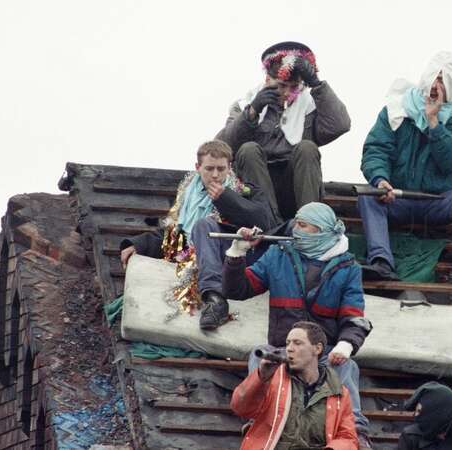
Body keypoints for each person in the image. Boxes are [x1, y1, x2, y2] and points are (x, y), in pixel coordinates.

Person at [222, 202, 373, 448]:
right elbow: (237, 289)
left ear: (322, 229)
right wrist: (237, 253)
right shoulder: (277, 255)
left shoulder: (348, 269)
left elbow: (354, 316)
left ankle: (357, 433)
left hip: (323, 354)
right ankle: (258, 420)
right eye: (296, 223)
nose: (295, 229)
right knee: (259, 355)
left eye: (303, 225)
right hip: (284, 350)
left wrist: (345, 345)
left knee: (348, 368)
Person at [119, 140, 276, 330]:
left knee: (204, 225)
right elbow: (176, 234)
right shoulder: (188, 193)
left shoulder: (246, 190)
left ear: (230, 167)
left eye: (221, 169)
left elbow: (264, 221)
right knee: (201, 226)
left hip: (236, 255)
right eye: (209, 168)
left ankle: (215, 299)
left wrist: (226, 198)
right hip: (195, 253)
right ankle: (214, 298)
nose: (216, 175)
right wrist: (139, 244)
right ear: (197, 167)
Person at [358, 51, 452, 286]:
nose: (436, 87)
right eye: (434, 80)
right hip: (397, 197)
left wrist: (434, 124)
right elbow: (376, 150)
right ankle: (381, 261)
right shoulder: (397, 110)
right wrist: (380, 180)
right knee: (368, 196)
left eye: (442, 82)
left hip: (437, 200)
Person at [216, 41, 351, 222]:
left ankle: (309, 222)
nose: (286, 93)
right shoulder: (244, 105)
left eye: (293, 87)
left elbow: (339, 125)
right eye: (281, 85)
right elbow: (224, 146)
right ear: (267, 80)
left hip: (294, 185)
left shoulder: (308, 107)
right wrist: (253, 111)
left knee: (307, 148)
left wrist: (317, 85)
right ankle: (270, 222)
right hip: (256, 189)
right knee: (248, 149)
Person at [231, 320, 359, 450]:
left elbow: (348, 437)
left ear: (317, 348)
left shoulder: (338, 392)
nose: (289, 348)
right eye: (288, 343)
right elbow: (240, 408)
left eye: (297, 343)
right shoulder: (272, 380)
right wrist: (261, 377)